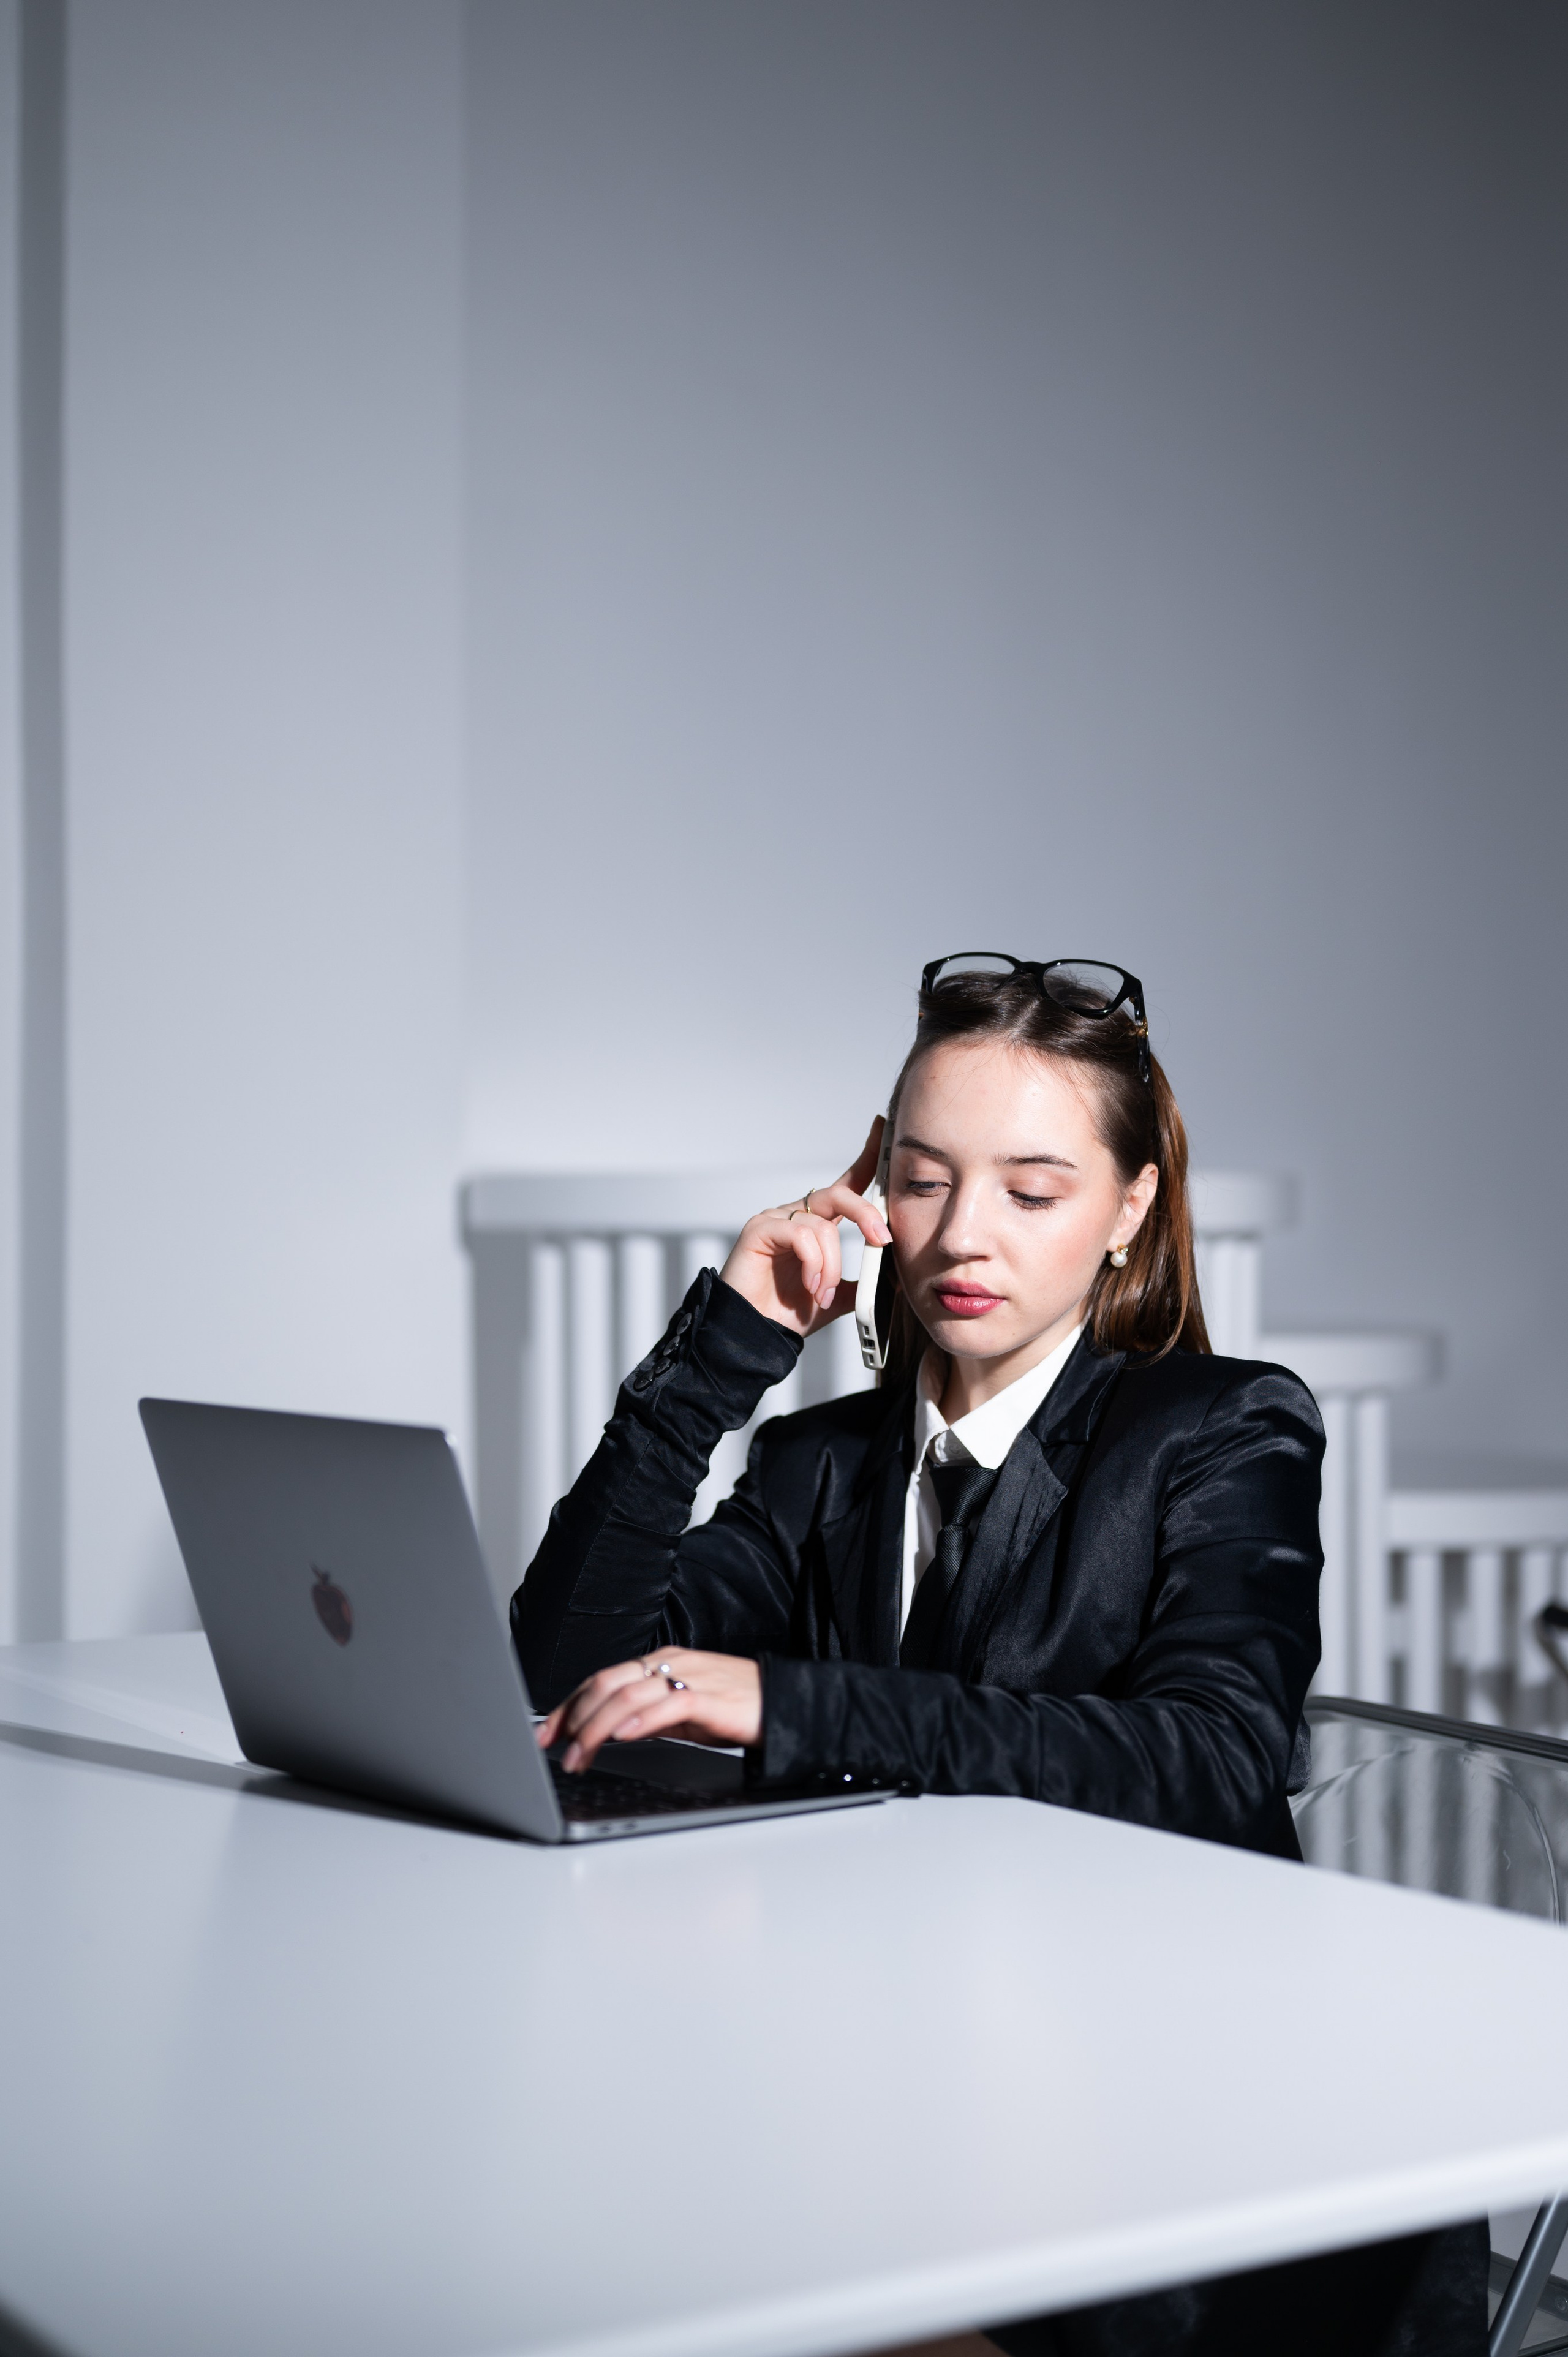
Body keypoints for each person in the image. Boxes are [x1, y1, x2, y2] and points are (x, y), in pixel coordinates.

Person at [513, 954, 1486, 2357]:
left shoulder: (1218, 1429)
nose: (963, 1233)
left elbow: (1212, 1755)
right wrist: (722, 1350)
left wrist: (793, 1702)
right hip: (886, 2076)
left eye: (1031, 1191)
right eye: (920, 1180)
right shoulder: (817, 1466)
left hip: (1168, 2139)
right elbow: (564, 1661)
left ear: (1126, 1207)